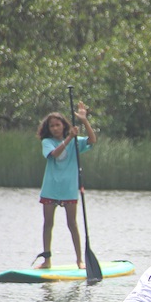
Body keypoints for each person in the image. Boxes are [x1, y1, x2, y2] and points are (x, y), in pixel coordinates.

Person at [34, 101, 97, 269]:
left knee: (72, 224)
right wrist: (69, 137)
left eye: (58, 125)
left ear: (63, 125)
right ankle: (47, 260)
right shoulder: (47, 142)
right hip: (51, 189)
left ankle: (79, 260)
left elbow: (92, 140)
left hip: (69, 189)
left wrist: (84, 120)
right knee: (48, 224)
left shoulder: (76, 142)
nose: (55, 128)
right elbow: (55, 154)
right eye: (52, 126)